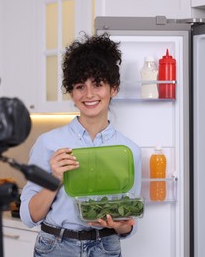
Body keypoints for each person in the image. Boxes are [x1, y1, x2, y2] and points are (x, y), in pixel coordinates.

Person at [20, 33, 141, 257]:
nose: (89, 94)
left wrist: (117, 225)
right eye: (79, 86)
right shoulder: (48, 143)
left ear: (113, 89)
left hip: (106, 248)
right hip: (56, 247)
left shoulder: (128, 150)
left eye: (98, 84)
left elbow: (129, 223)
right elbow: (29, 216)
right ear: (72, 93)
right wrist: (53, 178)